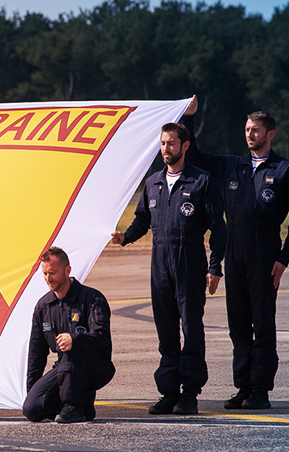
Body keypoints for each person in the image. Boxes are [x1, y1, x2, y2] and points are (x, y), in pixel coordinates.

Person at [111, 122, 227, 415]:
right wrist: (125, 237)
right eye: (163, 143)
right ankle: (169, 392)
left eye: (172, 143)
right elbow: (142, 220)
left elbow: (218, 229)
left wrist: (214, 267)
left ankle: (190, 393)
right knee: (165, 330)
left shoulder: (201, 181)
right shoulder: (153, 182)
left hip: (189, 261)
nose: (166, 148)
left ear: (185, 146)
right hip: (159, 263)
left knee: (191, 328)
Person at [183, 96, 289, 410]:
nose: (250, 134)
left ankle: (261, 390)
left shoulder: (283, 170)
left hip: (265, 254)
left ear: (270, 134)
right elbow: (197, 156)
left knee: (263, 323)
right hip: (235, 251)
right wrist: (189, 118)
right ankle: (243, 386)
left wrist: (283, 259)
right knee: (238, 324)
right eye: (246, 129)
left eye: (256, 130)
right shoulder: (233, 165)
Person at [23, 247, 115, 424]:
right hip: (65, 367)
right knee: (32, 409)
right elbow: (36, 353)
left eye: (53, 273)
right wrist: (32, 391)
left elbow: (101, 336)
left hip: (96, 366)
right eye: (45, 274)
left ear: (67, 270)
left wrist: (76, 339)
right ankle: (79, 404)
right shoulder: (43, 306)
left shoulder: (92, 298)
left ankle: (75, 407)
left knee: (71, 345)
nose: (48, 279)